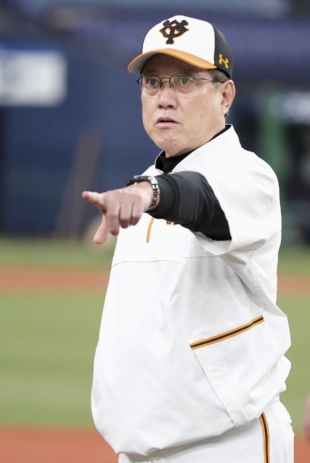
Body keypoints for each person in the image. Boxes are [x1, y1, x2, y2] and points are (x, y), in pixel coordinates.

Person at [83, 15, 293, 463]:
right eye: (152, 82)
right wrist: (149, 188)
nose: (165, 97)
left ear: (225, 95)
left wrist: (150, 192)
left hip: (228, 448)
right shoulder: (148, 181)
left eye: (184, 80)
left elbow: (199, 200)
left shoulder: (246, 176)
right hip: (139, 451)